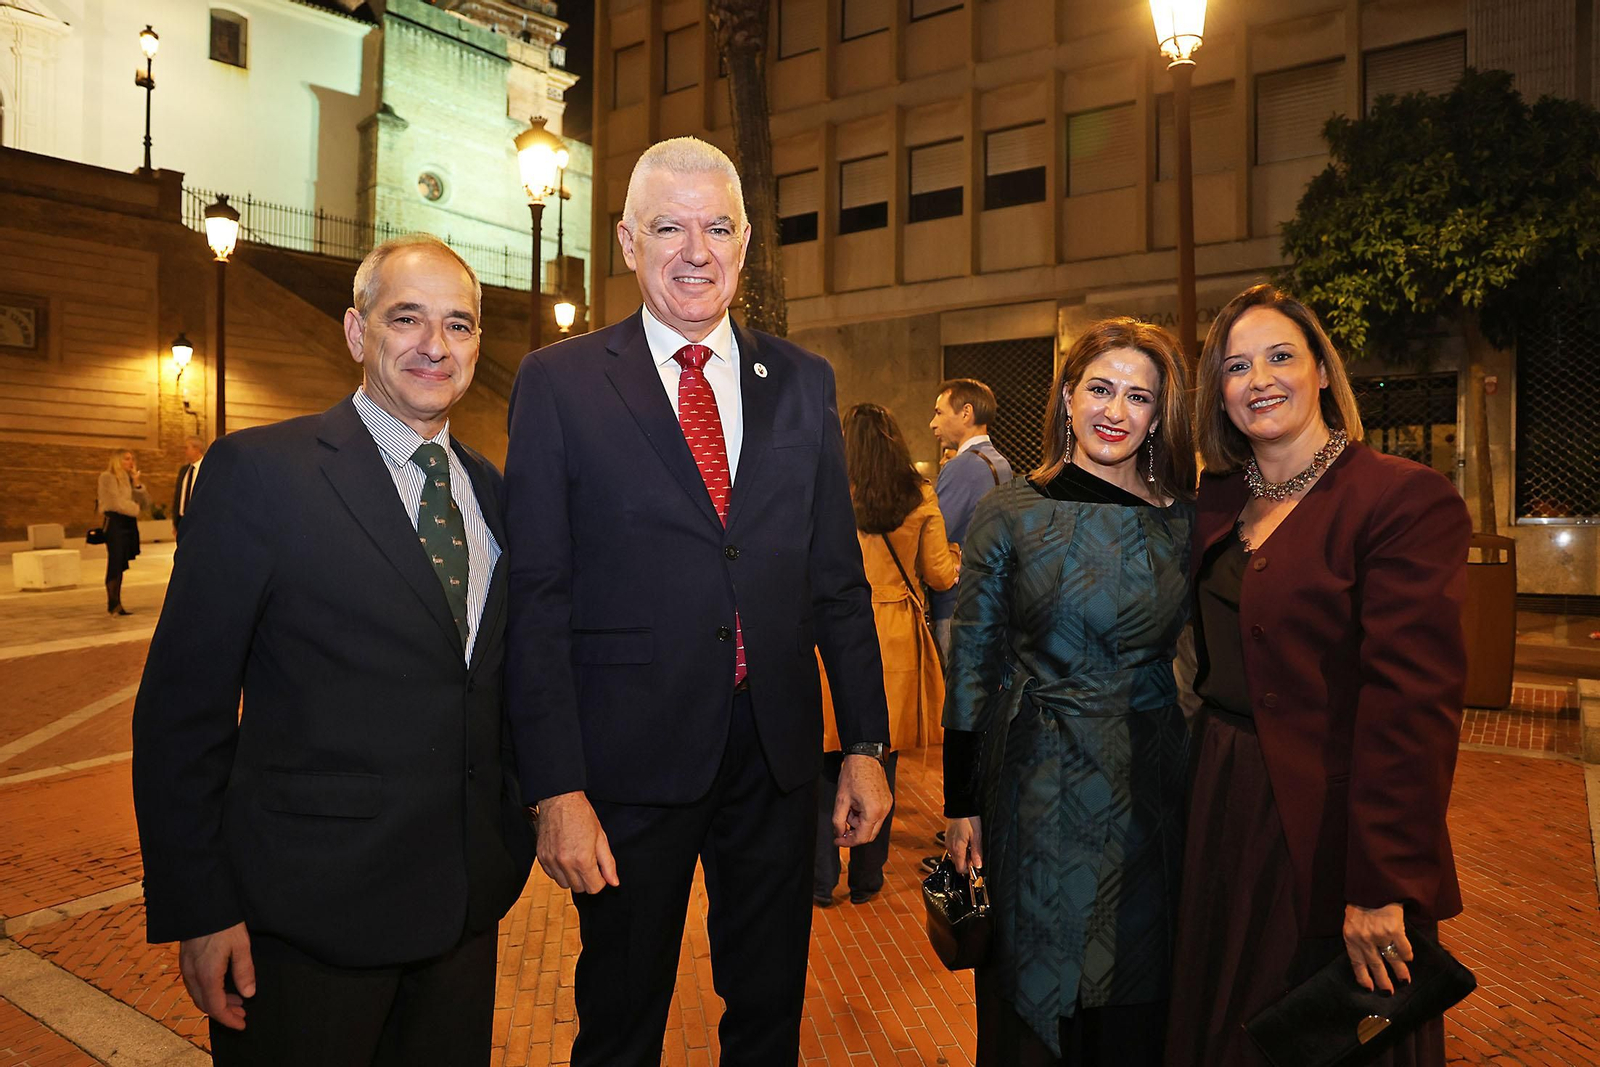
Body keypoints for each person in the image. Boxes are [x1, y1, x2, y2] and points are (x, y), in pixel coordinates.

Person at [502, 136, 893, 1067]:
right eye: (669, 227)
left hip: (777, 757)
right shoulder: (558, 384)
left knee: (768, 1013)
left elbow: (838, 583)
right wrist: (555, 786)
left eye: (717, 227)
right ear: (628, 241)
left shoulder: (803, 382)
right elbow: (538, 597)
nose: (696, 250)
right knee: (622, 1015)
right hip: (627, 765)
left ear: (746, 241)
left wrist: (868, 748)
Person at [131, 234, 534, 1066]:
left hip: (461, 915)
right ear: (357, 333)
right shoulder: (262, 474)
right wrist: (200, 906)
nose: (435, 344)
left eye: (458, 325)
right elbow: (182, 710)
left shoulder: (494, 493)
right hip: (303, 927)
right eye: (407, 319)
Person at [1164, 284, 1470, 1067]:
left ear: (1322, 371)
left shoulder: (1398, 498)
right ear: (1219, 393)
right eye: (1236, 366)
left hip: (1333, 828)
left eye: (1279, 356)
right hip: (1225, 807)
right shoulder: (1217, 502)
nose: (1258, 379)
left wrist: (1383, 882)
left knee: (1323, 1036)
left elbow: (1413, 708)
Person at [943, 318, 1197, 1067]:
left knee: (1139, 991)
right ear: (1067, 396)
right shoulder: (1010, 512)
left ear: (1158, 415)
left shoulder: (1182, 521)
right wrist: (962, 804)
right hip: (1036, 789)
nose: (1116, 411)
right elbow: (974, 668)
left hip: (1151, 790)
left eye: (1139, 396)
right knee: (1039, 992)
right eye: (1101, 389)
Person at [814, 403, 959, 907]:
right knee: (881, 754)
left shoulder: (829, 492)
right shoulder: (918, 495)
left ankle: (820, 876)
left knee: (828, 753)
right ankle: (868, 878)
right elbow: (939, 574)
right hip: (894, 632)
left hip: (832, 635)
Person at [928, 378, 1011, 656]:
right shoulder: (1000, 462)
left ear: (965, 412)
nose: (932, 424)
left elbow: (935, 536)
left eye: (939, 412)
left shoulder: (963, 466)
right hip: (993, 600)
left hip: (956, 605)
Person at [97, 449, 148, 615]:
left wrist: (137, 483)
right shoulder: (107, 477)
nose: (130, 462)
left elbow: (145, 503)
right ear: (118, 460)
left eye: (132, 458)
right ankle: (113, 602)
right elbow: (115, 503)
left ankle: (116, 602)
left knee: (120, 563)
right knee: (115, 561)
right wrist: (135, 509)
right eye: (126, 459)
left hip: (128, 523)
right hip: (115, 523)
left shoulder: (127, 478)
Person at [172, 435, 206, 541]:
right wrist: (175, 522)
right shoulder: (184, 471)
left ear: (197, 448)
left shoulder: (207, 469)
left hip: (199, 521)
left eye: (186, 448)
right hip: (182, 520)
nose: (184, 451)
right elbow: (179, 496)